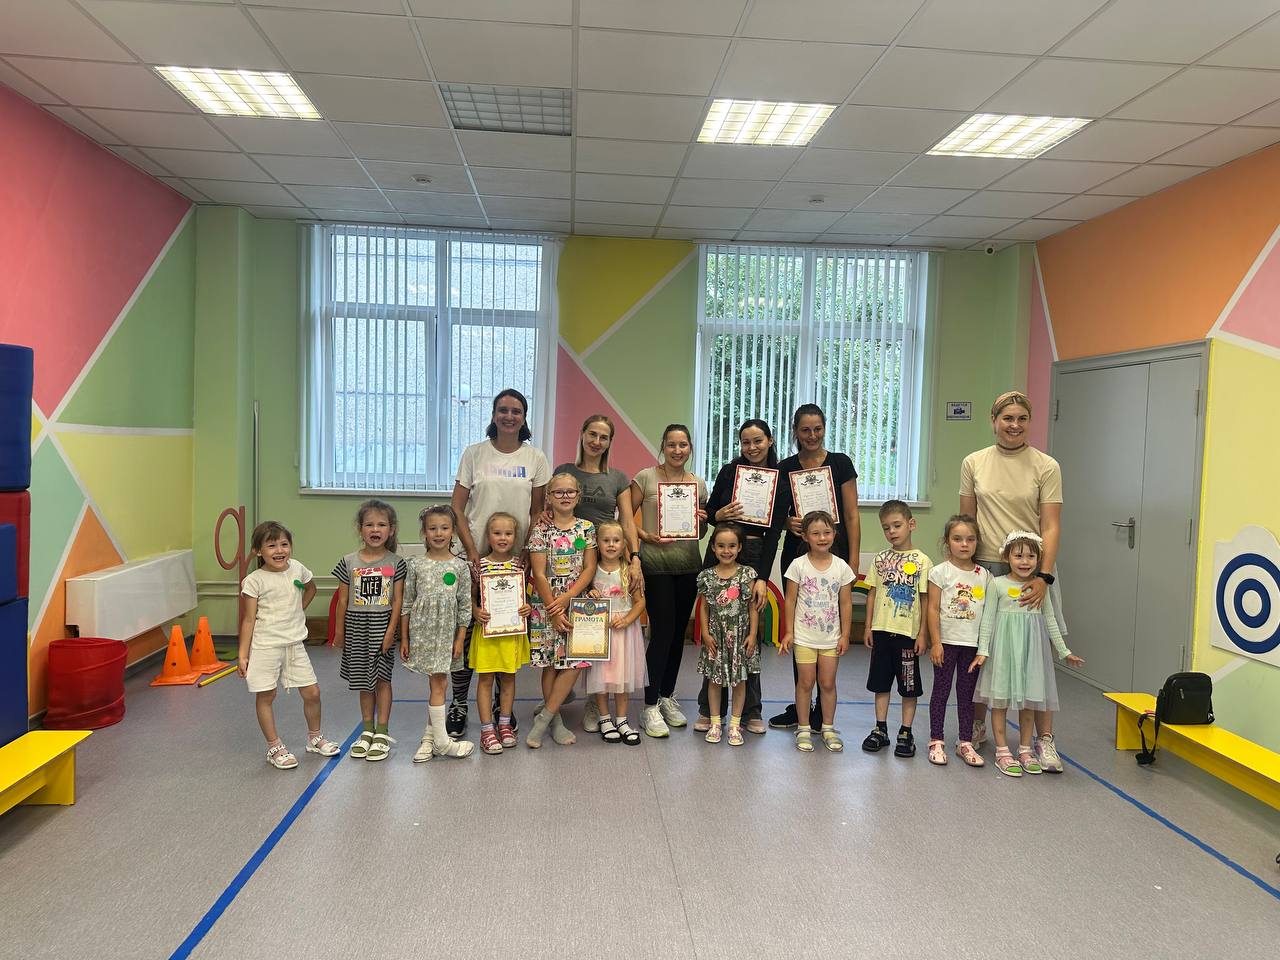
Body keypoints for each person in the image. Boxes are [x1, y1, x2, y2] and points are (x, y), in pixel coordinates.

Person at [960, 390, 1067, 772]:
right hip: (987, 569)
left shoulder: (1046, 466)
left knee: (1035, 656)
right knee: (981, 651)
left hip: (1031, 570)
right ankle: (976, 725)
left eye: (1022, 418)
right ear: (994, 421)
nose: (1014, 425)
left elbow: (1050, 525)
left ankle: (1044, 740)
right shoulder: (974, 462)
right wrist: (962, 571)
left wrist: (1044, 576)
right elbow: (966, 523)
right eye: (1007, 418)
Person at [449, 388, 550, 737]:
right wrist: (471, 553)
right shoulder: (474, 454)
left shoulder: (535, 457)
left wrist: (528, 551)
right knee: (467, 630)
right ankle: (459, 703)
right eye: (503, 410)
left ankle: (498, 706)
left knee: (503, 628)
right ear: (494, 415)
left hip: (515, 560)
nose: (509, 416)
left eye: (516, 411)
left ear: (524, 418)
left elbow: (537, 511)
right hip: (474, 556)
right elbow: (457, 507)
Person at [769, 404, 860, 732]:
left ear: (824, 428)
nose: (812, 435)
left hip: (835, 555)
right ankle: (802, 707)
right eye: (805, 430)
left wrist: (853, 559)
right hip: (797, 556)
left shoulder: (840, 463)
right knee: (802, 627)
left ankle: (824, 708)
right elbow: (773, 514)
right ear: (795, 431)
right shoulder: (784, 467)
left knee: (829, 628)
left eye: (817, 429)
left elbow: (851, 514)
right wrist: (787, 523)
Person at [553, 414, 642, 733]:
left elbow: (627, 520)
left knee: (600, 634)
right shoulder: (564, 471)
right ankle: (556, 696)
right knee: (569, 632)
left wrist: (635, 557)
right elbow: (551, 510)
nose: (597, 441)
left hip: (605, 560)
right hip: (570, 561)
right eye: (592, 434)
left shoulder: (617, 478)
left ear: (609, 442)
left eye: (604, 437)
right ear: (582, 434)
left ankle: (595, 702)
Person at [694, 419, 783, 736]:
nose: (752, 447)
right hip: (723, 549)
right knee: (715, 629)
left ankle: (750, 710)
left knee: (748, 635)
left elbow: (775, 533)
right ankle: (709, 709)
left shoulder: (779, 477)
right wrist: (719, 515)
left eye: (758, 440)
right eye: (746, 442)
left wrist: (762, 577)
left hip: (755, 553)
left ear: (770, 441)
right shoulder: (730, 471)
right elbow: (710, 511)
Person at [970, 531, 1084, 778]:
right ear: (1007, 557)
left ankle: (1025, 750)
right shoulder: (997, 584)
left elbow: (1050, 620)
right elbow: (987, 620)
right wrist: (983, 651)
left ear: (1038, 559)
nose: (1024, 561)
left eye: (1031, 556)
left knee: (1029, 702)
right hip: (1003, 653)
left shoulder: (1039, 588)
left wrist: (1064, 651)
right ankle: (1002, 751)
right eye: (1018, 556)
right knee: (999, 702)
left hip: (1031, 654)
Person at [237, 521, 340, 769]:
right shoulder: (254, 580)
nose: (279, 550)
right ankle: (274, 746)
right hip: (266, 646)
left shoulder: (297, 569)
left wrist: (298, 609)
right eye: (271, 546)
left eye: (284, 544)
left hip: (295, 644)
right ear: (258, 551)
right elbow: (249, 619)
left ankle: (314, 738)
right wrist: (242, 654)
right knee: (267, 695)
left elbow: (311, 588)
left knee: (312, 692)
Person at [630, 424, 708, 738]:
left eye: (683, 445)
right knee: (661, 633)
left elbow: (701, 532)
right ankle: (649, 706)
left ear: (690, 448)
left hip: (688, 565)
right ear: (663, 446)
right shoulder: (645, 477)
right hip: (655, 565)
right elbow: (624, 518)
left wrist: (702, 522)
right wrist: (644, 535)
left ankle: (666, 696)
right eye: (672, 444)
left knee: (678, 635)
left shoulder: (697, 483)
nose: (677, 450)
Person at [525, 472, 597, 749]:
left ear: (578, 496)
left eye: (570, 491)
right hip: (546, 604)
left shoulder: (586, 528)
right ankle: (555, 722)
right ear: (549, 497)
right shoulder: (540, 530)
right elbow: (539, 573)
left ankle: (543, 718)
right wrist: (554, 610)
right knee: (551, 662)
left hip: (576, 601)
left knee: (575, 661)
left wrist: (568, 597)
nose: (565, 496)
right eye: (558, 492)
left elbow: (589, 568)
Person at [332, 499, 406, 762]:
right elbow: (342, 600)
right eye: (370, 525)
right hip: (356, 627)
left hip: (381, 627)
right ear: (360, 529)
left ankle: (382, 731)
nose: (376, 529)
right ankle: (367, 730)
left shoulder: (397, 563)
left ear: (391, 529)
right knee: (364, 681)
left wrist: (391, 632)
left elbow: (397, 601)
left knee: (383, 680)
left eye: (382, 525)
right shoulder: (348, 561)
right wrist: (339, 632)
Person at [400, 505, 474, 762]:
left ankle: (432, 739)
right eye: (432, 528)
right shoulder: (415, 565)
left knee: (439, 683)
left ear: (453, 532)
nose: (439, 533)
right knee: (438, 684)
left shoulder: (460, 567)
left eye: (444, 528)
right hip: (423, 634)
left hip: (447, 634)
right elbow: (406, 604)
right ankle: (439, 742)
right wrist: (405, 638)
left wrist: (460, 638)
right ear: (424, 532)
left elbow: (465, 607)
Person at [861, 501, 931, 759]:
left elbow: (925, 599)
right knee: (881, 684)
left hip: (907, 635)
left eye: (897, 525)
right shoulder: (880, 559)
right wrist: (868, 626)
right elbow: (872, 593)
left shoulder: (923, 561)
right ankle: (880, 729)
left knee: (908, 686)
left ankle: (906, 731)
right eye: (886, 528)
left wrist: (923, 633)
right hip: (881, 631)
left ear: (911, 524)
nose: (891, 531)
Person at [781, 511, 854, 753]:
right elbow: (790, 600)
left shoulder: (841, 567)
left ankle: (828, 728)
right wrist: (788, 632)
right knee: (805, 682)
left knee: (827, 683)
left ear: (834, 534)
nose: (822, 538)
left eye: (827, 532)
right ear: (805, 536)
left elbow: (845, 603)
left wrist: (845, 635)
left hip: (830, 639)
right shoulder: (798, 565)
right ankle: (803, 728)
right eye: (815, 533)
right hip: (804, 637)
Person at [925, 515, 990, 768]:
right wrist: (936, 642)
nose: (964, 544)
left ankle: (965, 742)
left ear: (977, 542)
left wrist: (983, 648)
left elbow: (987, 615)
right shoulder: (939, 572)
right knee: (941, 692)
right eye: (957, 539)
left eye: (970, 539)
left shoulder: (984, 576)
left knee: (966, 695)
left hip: (971, 646)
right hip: (946, 643)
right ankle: (936, 740)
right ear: (947, 541)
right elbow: (932, 609)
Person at [469, 512, 533, 755]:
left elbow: (525, 595)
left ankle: (504, 724)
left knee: (508, 678)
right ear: (488, 536)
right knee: (485, 680)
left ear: (515, 536)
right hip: (487, 632)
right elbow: (471, 596)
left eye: (508, 533)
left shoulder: (520, 565)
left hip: (511, 632)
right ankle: (487, 729)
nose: (503, 538)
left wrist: (526, 607)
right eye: (497, 533)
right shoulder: (479, 565)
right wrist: (475, 610)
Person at [695, 524, 760, 747]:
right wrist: (705, 633)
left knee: (739, 681)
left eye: (732, 546)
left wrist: (752, 634)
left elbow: (752, 607)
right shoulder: (706, 576)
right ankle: (715, 722)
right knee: (714, 680)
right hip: (716, 637)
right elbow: (704, 607)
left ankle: (734, 724)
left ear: (739, 547)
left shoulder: (746, 574)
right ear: (713, 547)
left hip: (740, 636)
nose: (726, 550)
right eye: (721, 546)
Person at [586, 520, 647, 746]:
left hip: (624, 633)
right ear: (597, 543)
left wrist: (627, 620)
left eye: (616, 540)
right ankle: (604, 718)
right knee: (601, 677)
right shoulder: (592, 570)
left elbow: (640, 603)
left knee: (622, 678)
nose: (611, 545)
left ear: (624, 545)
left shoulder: (629, 571)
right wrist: (590, 593)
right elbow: (585, 597)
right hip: (600, 633)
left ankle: (621, 720)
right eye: (606, 540)